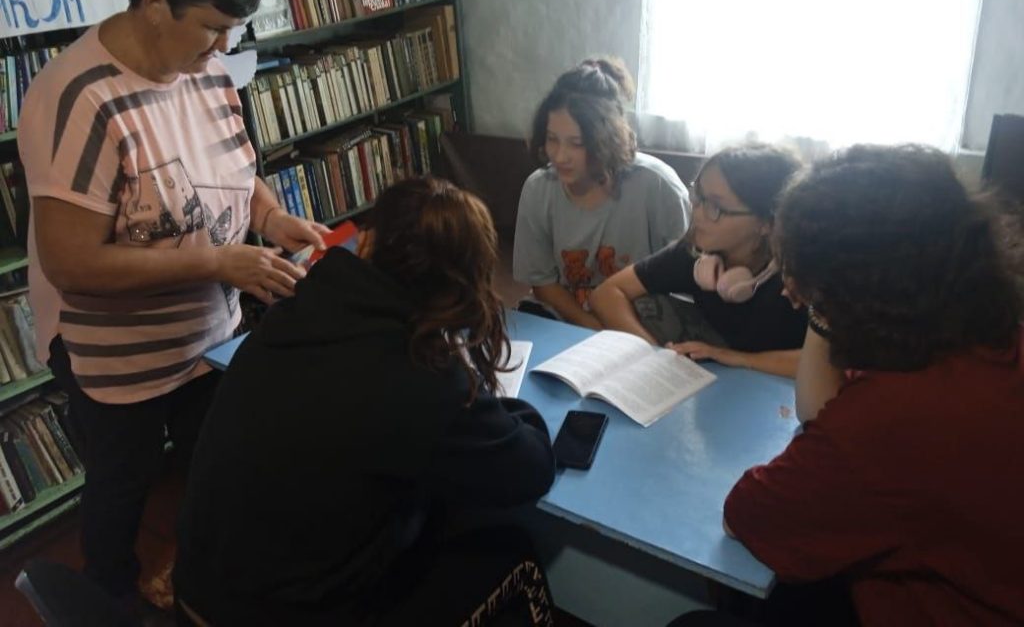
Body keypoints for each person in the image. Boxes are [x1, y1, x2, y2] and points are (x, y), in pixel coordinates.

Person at [17, 0, 327, 615]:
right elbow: (70, 263)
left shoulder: (204, 69)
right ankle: (109, 600)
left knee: (215, 466)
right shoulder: (78, 97)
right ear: (155, 4)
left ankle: (198, 578)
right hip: (115, 355)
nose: (224, 48)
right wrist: (217, 260)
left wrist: (269, 218)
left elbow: (234, 170)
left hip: (209, 336)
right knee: (121, 488)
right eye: (213, 28)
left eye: (233, 32)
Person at [174, 177, 557, 626]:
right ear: (466, 283)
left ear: (367, 242)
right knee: (512, 549)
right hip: (289, 614)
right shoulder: (422, 376)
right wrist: (482, 391)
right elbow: (531, 468)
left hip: (196, 594)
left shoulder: (291, 316)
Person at [722, 145, 1024, 625]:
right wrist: (825, 307)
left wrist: (822, 303)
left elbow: (746, 515)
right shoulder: (983, 337)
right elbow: (817, 412)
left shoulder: (892, 419)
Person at [591, 144, 805, 377]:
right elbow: (607, 293)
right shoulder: (697, 252)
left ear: (766, 223)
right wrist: (653, 354)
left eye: (715, 206)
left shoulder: (801, 273)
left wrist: (738, 358)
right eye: (698, 196)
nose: (697, 212)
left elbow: (826, 362)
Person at [513, 57, 690, 329]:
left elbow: (683, 282)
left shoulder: (658, 186)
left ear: (606, 139)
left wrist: (623, 331)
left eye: (577, 143)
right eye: (552, 139)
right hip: (570, 321)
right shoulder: (538, 189)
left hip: (643, 321)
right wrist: (594, 329)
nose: (560, 156)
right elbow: (543, 284)